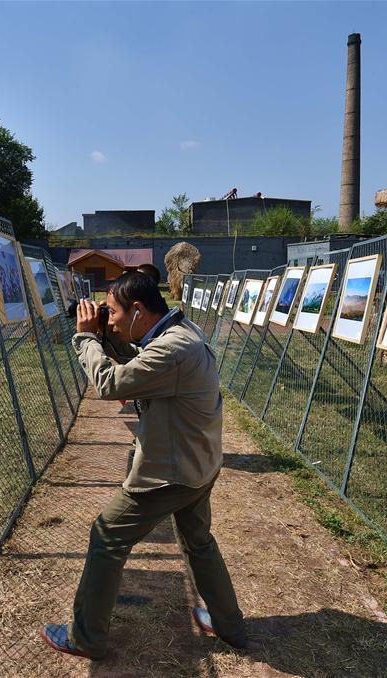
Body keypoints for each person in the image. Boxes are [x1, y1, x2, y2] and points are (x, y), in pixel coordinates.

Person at [42, 272, 249, 659]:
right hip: (200, 464)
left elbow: (111, 384)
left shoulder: (171, 351)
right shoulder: (180, 331)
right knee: (199, 543)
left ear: (138, 310)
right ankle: (229, 625)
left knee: (106, 537)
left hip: (170, 473)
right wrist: (108, 336)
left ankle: (85, 638)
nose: (113, 320)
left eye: (115, 312)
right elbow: (141, 366)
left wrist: (86, 338)